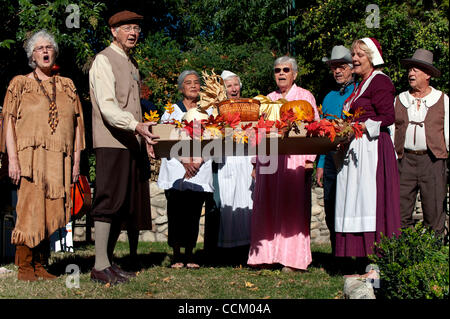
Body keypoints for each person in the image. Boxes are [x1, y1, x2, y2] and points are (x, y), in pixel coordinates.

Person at [0, 30, 85, 281]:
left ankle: (40, 265)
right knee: (29, 209)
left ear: (54, 53)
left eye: (49, 47)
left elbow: (78, 125)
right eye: (39, 48)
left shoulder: (67, 85)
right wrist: (12, 160)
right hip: (29, 159)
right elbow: (8, 123)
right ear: (32, 56)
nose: (45, 51)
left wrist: (76, 162)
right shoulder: (20, 84)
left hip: (58, 160)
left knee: (49, 210)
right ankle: (25, 266)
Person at [89, 10, 159, 284]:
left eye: (136, 29)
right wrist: (135, 126)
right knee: (108, 201)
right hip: (111, 142)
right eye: (127, 28)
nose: (133, 33)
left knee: (123, 204)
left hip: (131, 142)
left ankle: (108, 263)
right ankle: (99, 266)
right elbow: (107, 106)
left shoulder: (131, 64)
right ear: (113, 31)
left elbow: (136, 110)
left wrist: (145, 139)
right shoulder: (103, 60)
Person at [247, 56, 319, 272]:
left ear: (294, 74)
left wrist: (309, 160)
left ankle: (293, 260)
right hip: (269, 159)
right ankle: (264, 256)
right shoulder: (267, 100)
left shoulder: (305, 97)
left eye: (286, 69)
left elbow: (314, 131)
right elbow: (257, 133)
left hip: (295, 160)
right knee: (266, 206)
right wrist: (254, 163)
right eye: (277, 70)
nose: (281, 73)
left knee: (293, 209)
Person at [334, 38, 401, 272]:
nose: (354, 59)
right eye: (353, 54)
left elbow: (388, 116)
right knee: (354, 198)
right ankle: (360, 255)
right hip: (357, 147)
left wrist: (363, 126)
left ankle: (375, 254)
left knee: (368, 198)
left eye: (360, 54)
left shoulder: (380, 81)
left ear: (372, 57)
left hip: (373, 148)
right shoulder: (361, 85)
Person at [157, 70, 214, 269]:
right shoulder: (171, 111)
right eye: (188, 83)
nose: (193, 86)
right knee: (175, 212)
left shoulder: (208, 111)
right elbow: (165, 137)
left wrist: (197, 161)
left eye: (196, 83)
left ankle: (190, 254)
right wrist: (184, 161)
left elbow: (214, 138)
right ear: (181, 88)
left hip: (200, 170)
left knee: (193, 212)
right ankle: (176, 255)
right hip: (176, 169)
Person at [391, 49, 448, 237]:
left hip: (432, 161)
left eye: (415, 70)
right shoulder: (400, 100)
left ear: (428, 75)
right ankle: (402, 252)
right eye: (410, 70)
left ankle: (434, 255)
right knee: (400, 209)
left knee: (434, 210)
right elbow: (392, 132)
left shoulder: (442, 99)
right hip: (404, 160)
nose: (410, 74)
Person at [207, 70, 254, 264]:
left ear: (240, 86)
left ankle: (248, 249)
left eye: (235, 85)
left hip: (245, 159)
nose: (233, 89)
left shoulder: (251, 108)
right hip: (226, 160)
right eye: (229, 86)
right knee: (226, 202)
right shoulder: (215, 109)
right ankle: (225, 251)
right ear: (223, 89)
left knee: (247, 202)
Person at [316, 45, 356, 255]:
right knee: (331, 204)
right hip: (331, 157)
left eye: (341, 66)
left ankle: (353, 251)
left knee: (351, 203)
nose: (337, 71)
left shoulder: (358, 92)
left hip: (352, 156)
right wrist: (321, 164)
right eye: (334, 67)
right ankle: (336, 253)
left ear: (351, 67)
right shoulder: (329, 97)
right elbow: (322, 134)